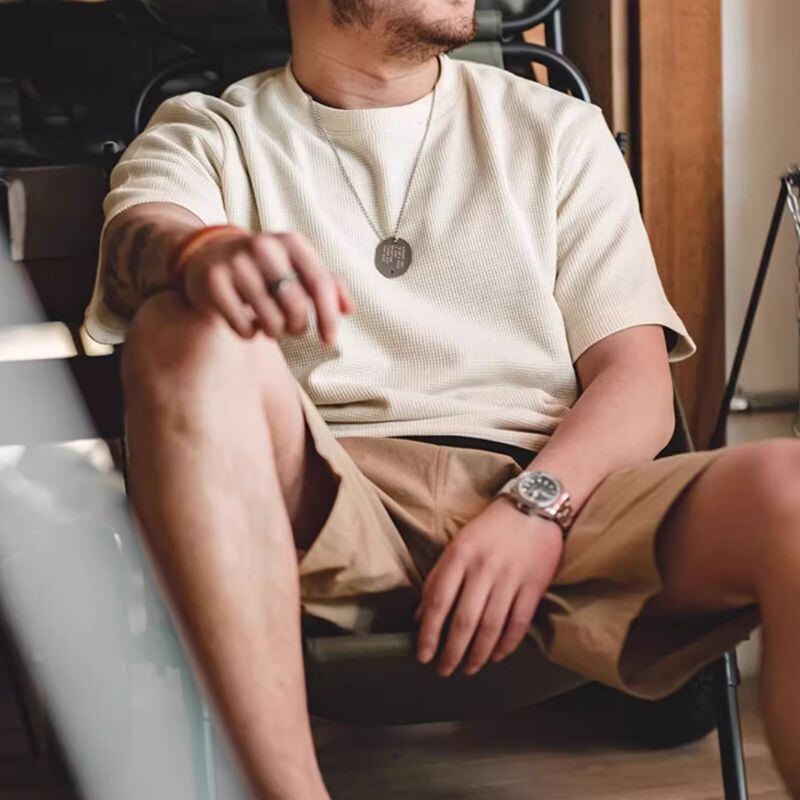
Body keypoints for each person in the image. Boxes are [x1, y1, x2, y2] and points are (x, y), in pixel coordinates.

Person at [84, 1, 799, 798]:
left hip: (560, 489)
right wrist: (201, 250)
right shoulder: (210, 134)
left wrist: (535, 506)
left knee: (790, 489)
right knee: (175, 332)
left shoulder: (559, 130)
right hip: (330, 500)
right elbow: (140, 236)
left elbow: (637, 384)